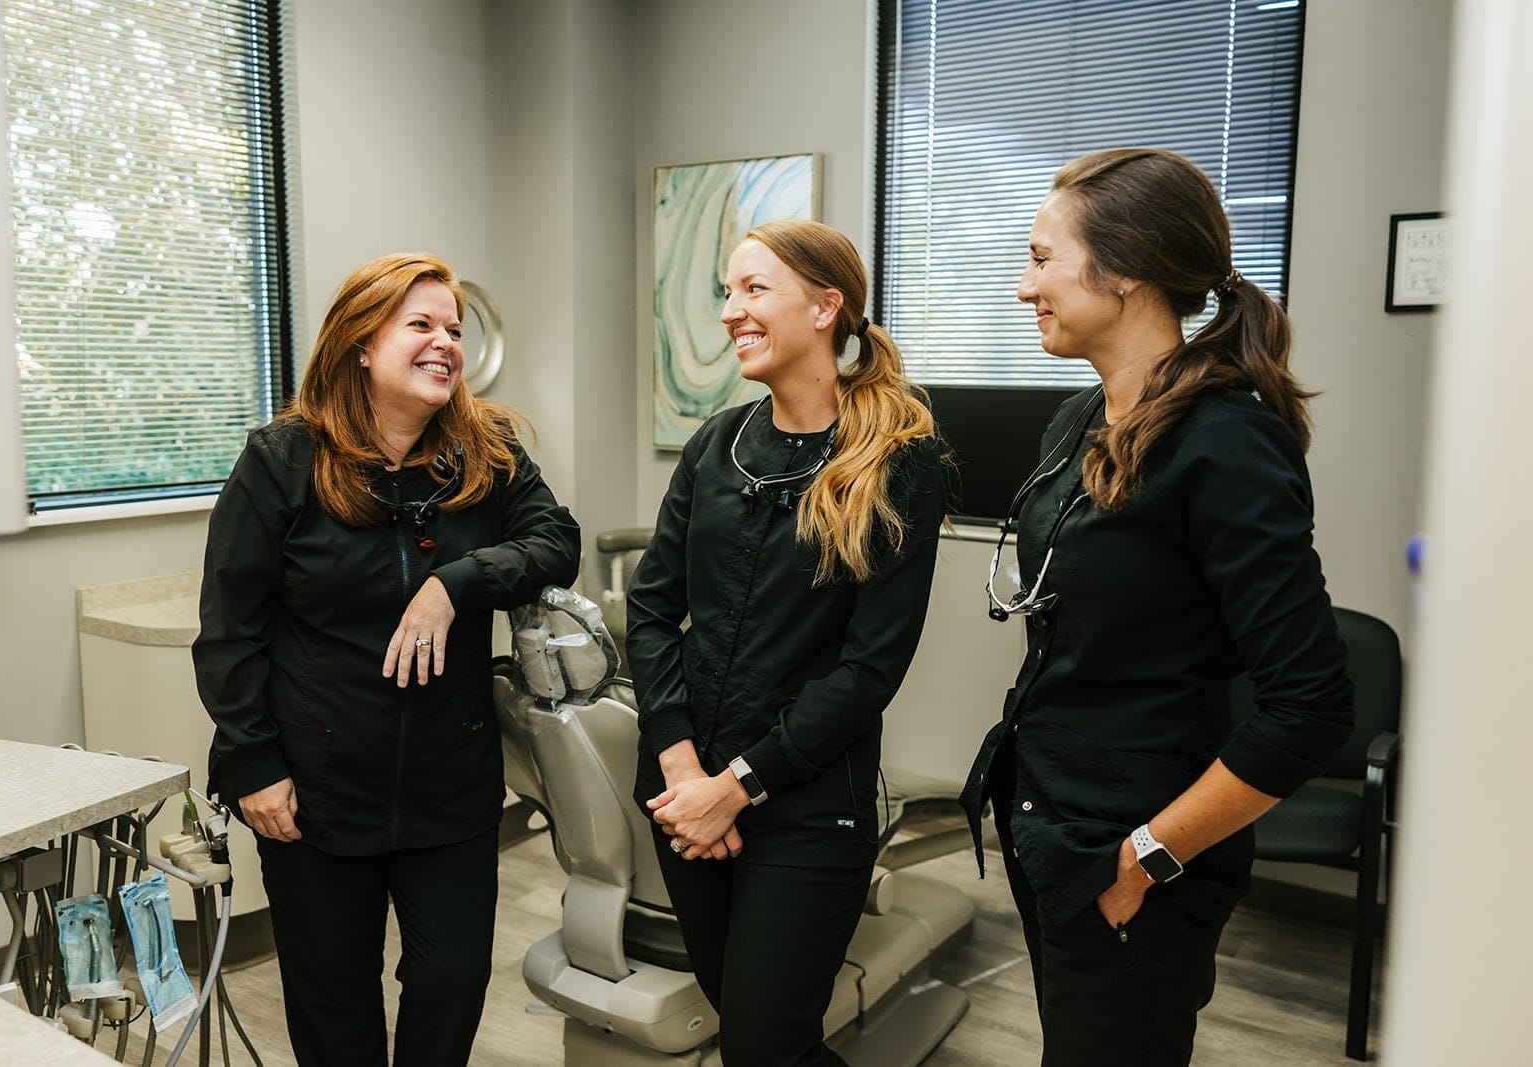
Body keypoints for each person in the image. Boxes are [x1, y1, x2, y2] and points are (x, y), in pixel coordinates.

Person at [958, 148, 1356, 1065]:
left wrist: (1145, 859)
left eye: (1042, 259)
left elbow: (1309, 705)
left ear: (1126, 268)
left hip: (1131, 850)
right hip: (1051, 825)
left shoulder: (1227, 441)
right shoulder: (1077, 422)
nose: (1026, 289)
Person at [193, 252, 581, 1065]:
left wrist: (459, 581)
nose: (445, 343)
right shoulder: (282, 459)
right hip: (317, 793)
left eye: (454, 329)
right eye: (422, 325)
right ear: (362, 344)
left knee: (451, 980)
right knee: (332, 1002)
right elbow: (230, 629)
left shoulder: (488, 449)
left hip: (450, 785)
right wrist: (255, 763)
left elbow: (556, 542)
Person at [627, 219, 944, 1066]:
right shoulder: (713, 445)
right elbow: (652, 610)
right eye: (727, 291)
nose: (731, 310)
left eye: (754, 289)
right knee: (752, 1028)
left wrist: (739, 784)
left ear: (825, 306)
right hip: (686, 799)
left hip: (805, 807)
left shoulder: (898, 460)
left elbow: (870, 665)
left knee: (766, 1045)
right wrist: (684, 768)